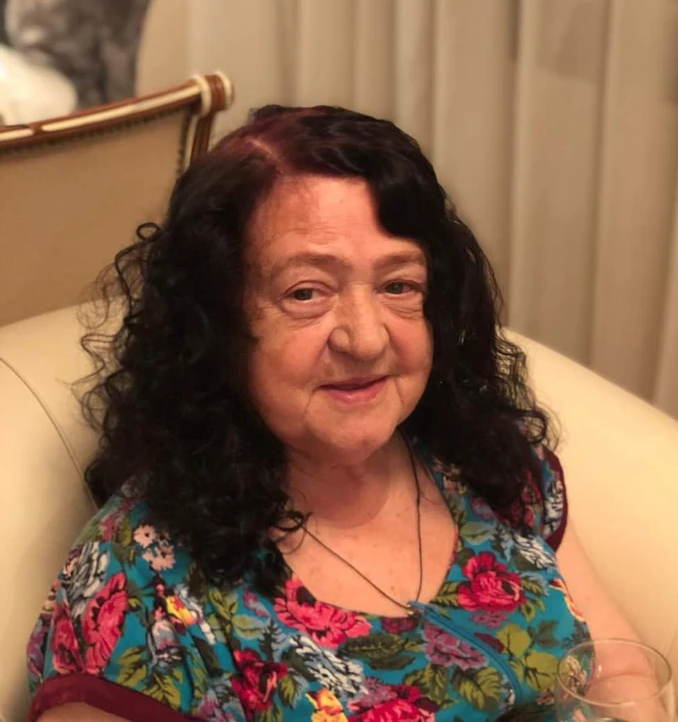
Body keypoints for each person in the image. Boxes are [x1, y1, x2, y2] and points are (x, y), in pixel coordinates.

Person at [27, 106, 637, 722]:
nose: (366, 339)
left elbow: (621, 670)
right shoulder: (137, 590)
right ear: (215, 324)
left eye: (398, 285)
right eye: (307, 293)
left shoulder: (484, 459)